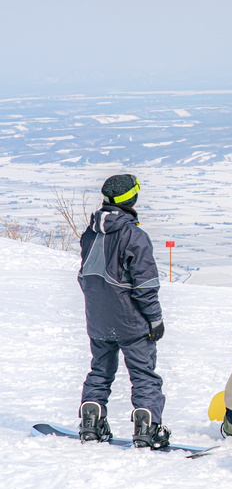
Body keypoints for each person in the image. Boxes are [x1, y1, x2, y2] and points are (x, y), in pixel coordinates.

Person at [76, 173, 170, 449]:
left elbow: (86, 275)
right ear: (132, 198)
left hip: (98, 319)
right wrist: (155, 319)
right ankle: (147, 428)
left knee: (100, 370)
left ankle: (91, 423)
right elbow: (145, 285)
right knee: (143, 374)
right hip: (130, 321)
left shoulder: (91, 232)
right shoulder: (134, 235)